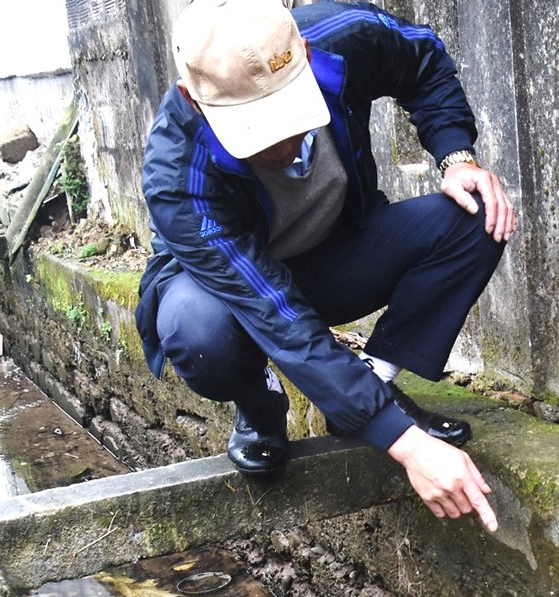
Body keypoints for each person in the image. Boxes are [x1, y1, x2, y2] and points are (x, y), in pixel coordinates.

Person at [136, 0, 514, 532]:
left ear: (305, 56)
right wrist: (408, 445)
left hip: (332, 254)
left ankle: (372, 382)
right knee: (200, 335)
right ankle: (260, 405)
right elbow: (274, 313)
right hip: (232, 293)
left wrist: (457, 157)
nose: (283, 143)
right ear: (192, 100)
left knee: (476, 216)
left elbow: (424, 60)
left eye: (291, 114)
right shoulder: (177, 174)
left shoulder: (345, 35)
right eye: (254, 129)